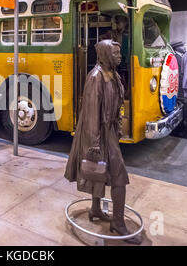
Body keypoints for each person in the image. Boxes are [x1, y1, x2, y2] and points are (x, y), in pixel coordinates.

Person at [64, 40, 141, 245]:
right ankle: (117, 222)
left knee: (102, 170)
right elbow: (90, 114)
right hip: (97, 133)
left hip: (109, 131)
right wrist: (94, 142)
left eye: (119, 53)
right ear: (105, 54)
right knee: (119, 177)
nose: (119, 56)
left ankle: (96, 209)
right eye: (115, 53)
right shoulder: (96, 77)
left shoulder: (112, 75)